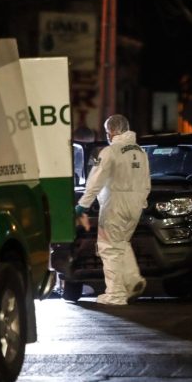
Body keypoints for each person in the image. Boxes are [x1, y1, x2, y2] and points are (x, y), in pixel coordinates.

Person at [75, 114, 151, 305]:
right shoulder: (141, 152)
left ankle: (115, 294)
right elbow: (147, 182)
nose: (107, 134)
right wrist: (140, 202)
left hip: (114, 205)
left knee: (108, 248)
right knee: (122, 243)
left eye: (107, 131)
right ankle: (133, 280)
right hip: (135, 205)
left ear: (114, 131)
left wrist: (83, 204)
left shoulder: (110, 152)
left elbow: (95, 181)